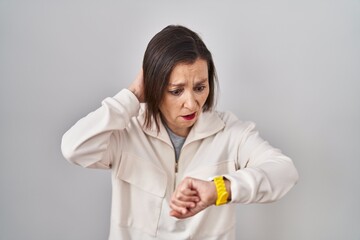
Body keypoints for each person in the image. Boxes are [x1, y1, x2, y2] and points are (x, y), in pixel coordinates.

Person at [61, 25, 299, 240]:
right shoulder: (127, 132)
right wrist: (132, 94)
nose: (192, 103)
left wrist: (219, 189)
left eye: (200, 88)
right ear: (154, 87)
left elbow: (284, 171)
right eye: (176, 91)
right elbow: (74, 148)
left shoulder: (229, 133)